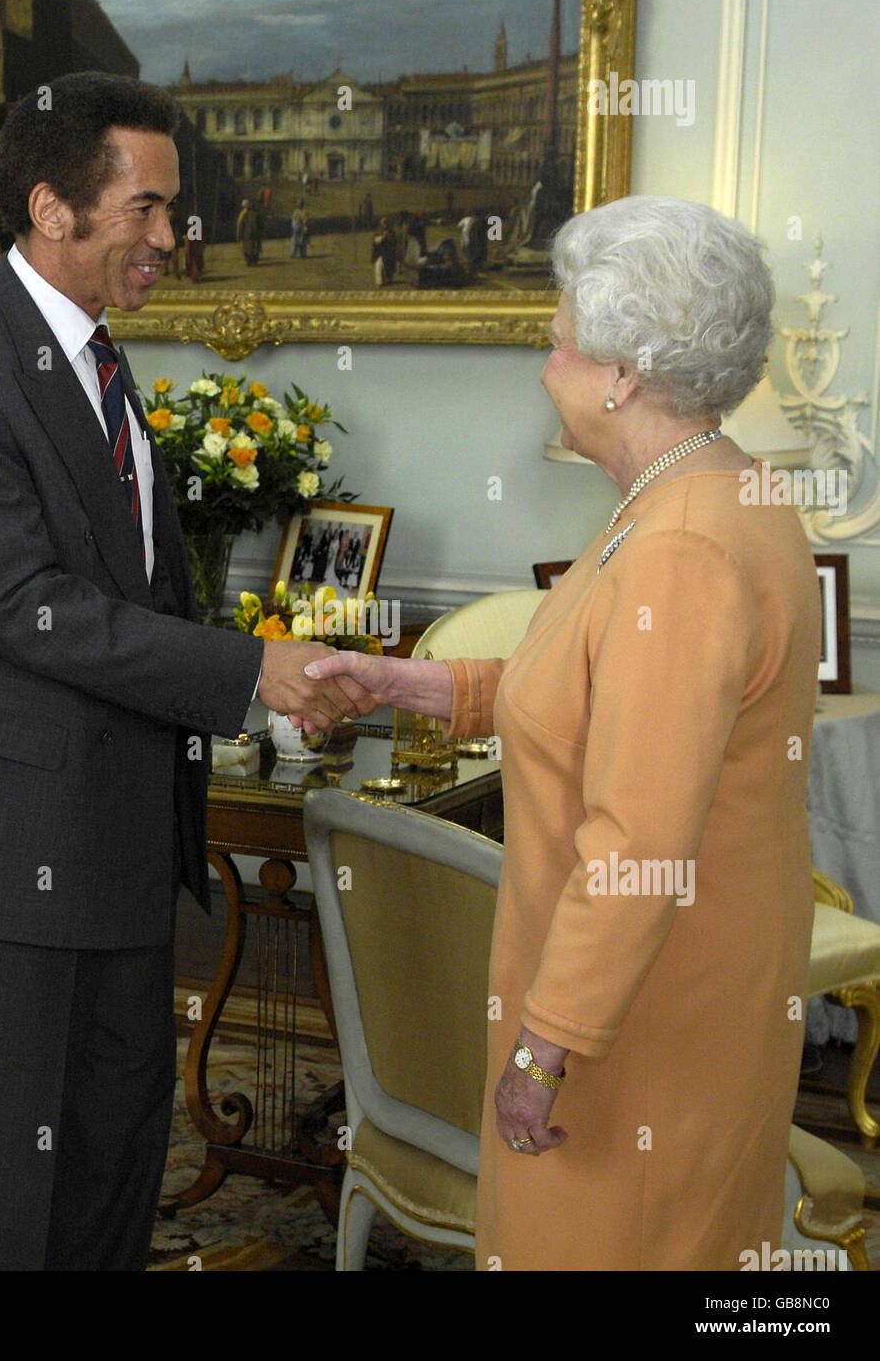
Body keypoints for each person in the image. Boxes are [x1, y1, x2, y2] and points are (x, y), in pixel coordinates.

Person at [0, 71, 372, 1272]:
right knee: (8, 1159)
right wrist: (254, 671)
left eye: (172, 208)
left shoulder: (93, 355)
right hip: (2, 835)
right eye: (144, 209)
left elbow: (124, 582)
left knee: (113, 1135)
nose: (170, 236)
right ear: (52, 208)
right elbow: (29, 608)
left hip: (118, 830)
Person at [305, 195, 821, 1270]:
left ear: (623, 373)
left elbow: (635, 839)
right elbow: (578, 687)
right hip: (676, 989)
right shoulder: (711, 489)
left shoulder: (682, 549)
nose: (543, 361)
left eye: (555, 337)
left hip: (636, 1029)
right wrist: (396, 680)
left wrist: (548, 1050)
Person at [371, 217, 397, 287]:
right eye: (383, 223)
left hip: (389, 253)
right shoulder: (378, 231)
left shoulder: (391, 232)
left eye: (386, 223)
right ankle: (379, 282)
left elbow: (394, 242)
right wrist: (383, 237)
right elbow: (376, 241)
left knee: (390, 265)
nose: (385, 225)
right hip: (379, 253)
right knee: (378, 265)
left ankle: (389, 278)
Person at [236, 197, 260, 266]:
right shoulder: (253, 213)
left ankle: (250, 261)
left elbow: (239, 224)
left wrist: (238, 234)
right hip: (251, 232)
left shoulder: (244, 213)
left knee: (246, 249)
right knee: (252, 248)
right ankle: (252, 261)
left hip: (246, 234)